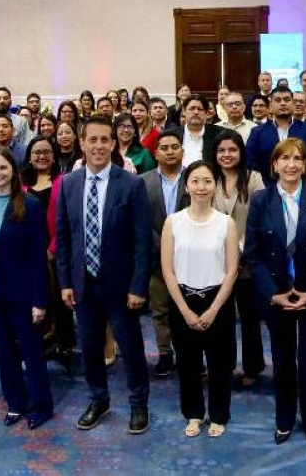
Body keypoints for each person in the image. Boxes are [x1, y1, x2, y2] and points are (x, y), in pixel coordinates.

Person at [55, 117, 153, 434]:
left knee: (131, 348)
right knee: (91, 347)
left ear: (113, 144)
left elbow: (142, 241)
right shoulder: (69, 183)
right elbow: (65, 237)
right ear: (81, 143)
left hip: (122, 286)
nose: (98, 146)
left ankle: (139, 404)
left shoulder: (131, 184)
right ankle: (99, 399)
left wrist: (139, 286)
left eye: (104, 140)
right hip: (83, 284)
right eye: (92, 140)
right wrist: (65, 282)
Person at [244, 138, 306, 445]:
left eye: (297, 158)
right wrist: (273, 294)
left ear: (305, 164)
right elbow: (253, 254)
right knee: (283, 362)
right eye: (284, 159)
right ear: (274, 165)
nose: (291, 164)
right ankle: (284, 419)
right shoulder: (260, 200)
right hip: (277, 294)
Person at [0, 148, 53, 429]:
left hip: (23, 293)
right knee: (4, 352)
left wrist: (40, 300)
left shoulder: (29, 205)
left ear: (14, 172)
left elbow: (38, 256)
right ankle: (15, 403)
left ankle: (41, 405)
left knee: (31, 352)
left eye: (3, 168)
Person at [161, 160, 240, 438]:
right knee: (188, 365)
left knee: (220, 365)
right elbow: (168, 271)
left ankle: (219, 414)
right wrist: (184, 310)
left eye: (207, 181)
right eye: (195, 181)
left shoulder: (226, 223)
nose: (201, 187)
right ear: (187, 185)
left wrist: (213, 309)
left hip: (217, 301)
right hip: (183, 300)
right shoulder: (173, 222)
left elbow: (231, 271)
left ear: (214, 185)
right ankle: (193, 414)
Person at [208, 130, 266, 386]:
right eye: (221, 150)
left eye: (232, 150)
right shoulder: (208, 179)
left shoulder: (254, 179)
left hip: (248, 261)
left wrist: (242, 250)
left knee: (249, 318)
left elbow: (261, 218)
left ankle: (252, 367)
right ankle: (224, 365)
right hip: (215, 261)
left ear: (241, 152)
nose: (226, 155)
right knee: (221, 318)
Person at [141, 129, 188, 379]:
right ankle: (164, 353)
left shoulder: (194, 178)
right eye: (164, 148)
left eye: (175, 147)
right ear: (156, 153)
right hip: (155, 256)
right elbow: (140, 222)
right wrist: (162, 245)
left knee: (187, 308)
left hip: (188, 256)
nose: (170, 151)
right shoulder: (143, 181)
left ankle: (187, 353)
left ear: (183, 151)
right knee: (160, 309)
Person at [22, 136, 75, 361]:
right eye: (36, 152)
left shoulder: (64, 181)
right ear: (30, 157)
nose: (41, 156)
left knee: (57, 299)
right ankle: (34, 341)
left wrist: (52, 249)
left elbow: (68, 220)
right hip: (26, 252)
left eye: (46, 152)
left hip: (56, 250)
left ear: (53, 156)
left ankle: (61, 343)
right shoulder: (20, 182)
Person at [246, 87, 306, 183]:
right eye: (278, 100)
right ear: (270, 106)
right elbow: (251, 163)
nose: (283, 103)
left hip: (303, 187)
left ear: (293, 104)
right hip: (267, 188)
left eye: (287, 100)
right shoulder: (257, 132)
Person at [177, 96, 225, 168]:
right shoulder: (173, 134)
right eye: (192, 109)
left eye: (200, 109)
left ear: (206, 113)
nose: (196, 112)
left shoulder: (220, 133)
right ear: (184, 111)